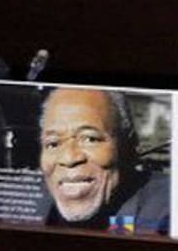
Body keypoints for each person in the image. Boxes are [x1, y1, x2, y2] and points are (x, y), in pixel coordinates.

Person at [38, 87, 170, 233]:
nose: (69, 158)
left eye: (90, 139)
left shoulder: (167, 209)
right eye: (53, 144)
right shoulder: (34, 208)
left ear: (129, 145)